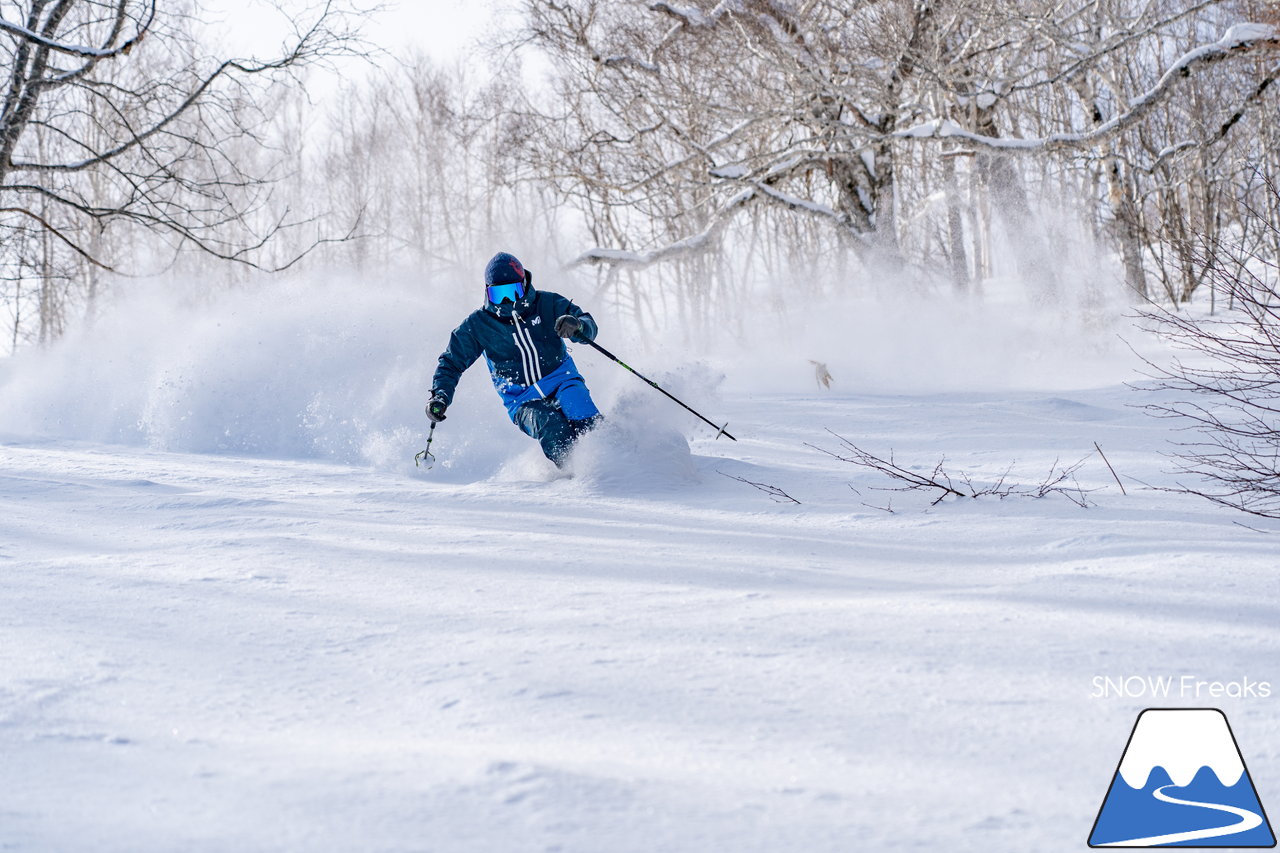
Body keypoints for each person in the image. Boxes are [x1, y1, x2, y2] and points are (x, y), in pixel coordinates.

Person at [426, 252, 603, 467]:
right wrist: (440, 396)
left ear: (525, 283)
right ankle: (579, 471)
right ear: (487, 293)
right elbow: (451, 363)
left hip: (561, 379)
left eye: (513, 291)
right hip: (522, 399)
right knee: (551, 425)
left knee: (578, 404)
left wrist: (578, 325)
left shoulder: (548, 304)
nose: (508, 301)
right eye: (499, 295)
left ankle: (607, 457)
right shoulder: (479, 325)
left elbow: (588, 325)